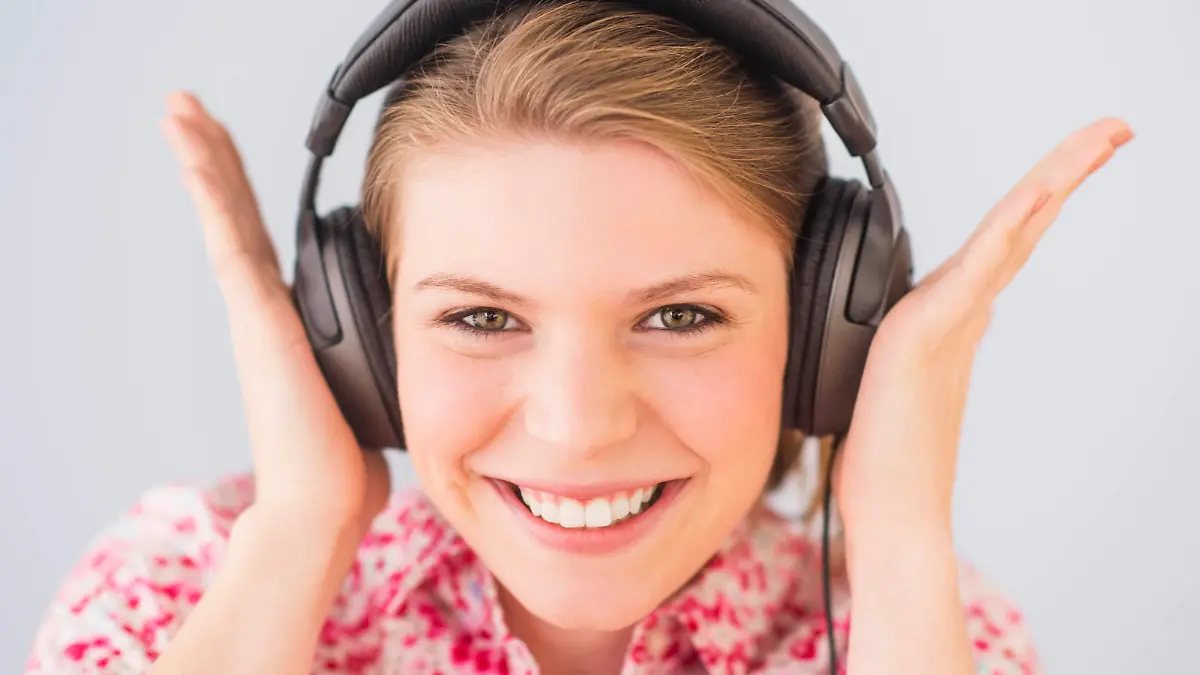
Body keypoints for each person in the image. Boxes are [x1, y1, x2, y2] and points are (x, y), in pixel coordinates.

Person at [24, 2, 1132, 673]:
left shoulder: (930, 627)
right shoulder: (182, 584)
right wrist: (302, 530)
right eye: (482, 317)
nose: (578, 426)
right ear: (361, 334)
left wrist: (892, 535)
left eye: (680, 315)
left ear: (820, 338)